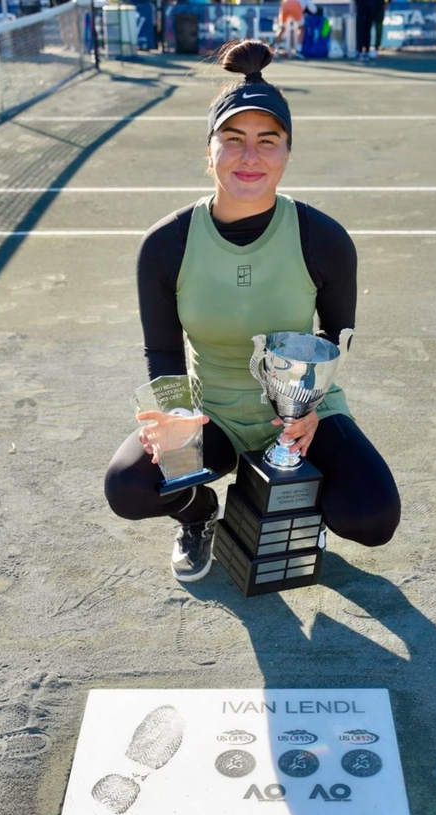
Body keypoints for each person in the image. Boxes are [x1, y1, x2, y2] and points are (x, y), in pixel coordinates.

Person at [104, 39, 401, 583]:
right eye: (233, 139)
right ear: (209, 150)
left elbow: (335, 336)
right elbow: (163, 351)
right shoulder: (167, 244)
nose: (250, 157)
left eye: (268, 141)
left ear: (287, 152)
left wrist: (308, 412)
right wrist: (174, 420)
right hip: (211, 414)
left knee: (372, 516)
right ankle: (199, 514)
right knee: (128, 486)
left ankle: (281, 497)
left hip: (298, 416)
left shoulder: (322, 238)